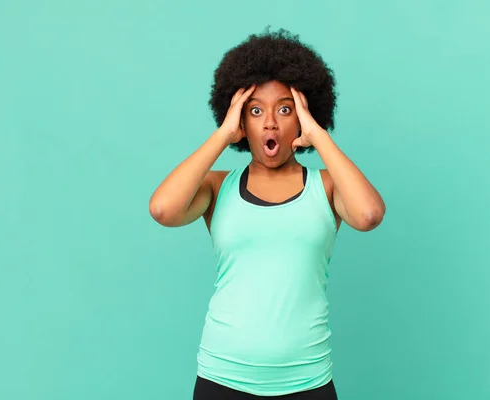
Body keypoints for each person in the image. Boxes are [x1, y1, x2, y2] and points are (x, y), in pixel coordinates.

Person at [149, 28, 386, 399]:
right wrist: (223, 134)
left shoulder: (326, 187)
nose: (271, 123)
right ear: (242, 122)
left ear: (303, 117)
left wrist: (320, 135)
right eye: (256, 110)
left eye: (285, 109)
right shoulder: (216, 187)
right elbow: (163, 209)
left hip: (307, 382)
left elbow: (369, 215)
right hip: (222, 379)